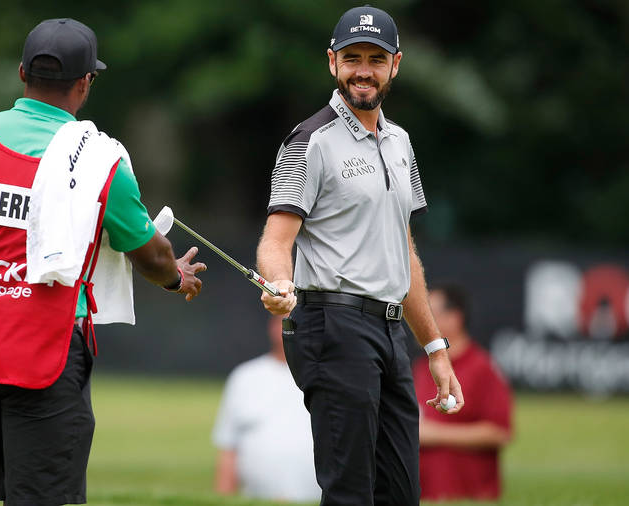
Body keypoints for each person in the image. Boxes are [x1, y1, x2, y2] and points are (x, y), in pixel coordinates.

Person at [0, 18, 206, 506]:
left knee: (16, 493)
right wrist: (174, 276)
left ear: (21, 74)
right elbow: (152, 254)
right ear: (84, 83)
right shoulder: (101, 162)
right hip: (44, 356)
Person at [255, 6, 464, 505]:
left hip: (390, 332)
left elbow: (403, 250)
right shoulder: (310, 140)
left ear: (396, 64)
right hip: (333, 325)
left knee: (400, 491)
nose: (363, 70)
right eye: (352, 58)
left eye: (375, 58)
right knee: (350, 490)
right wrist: (280, 284)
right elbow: (275, 241)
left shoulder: (401, 143)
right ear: (332, 62)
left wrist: (434, 348)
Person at [413, 284, 513, 501]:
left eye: (429, 313)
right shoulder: (422, 367)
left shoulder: (482, 367)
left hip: (469, 495)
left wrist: (432, 434)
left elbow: (499, 432)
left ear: (455, 317)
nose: (418, 320)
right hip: (427, 495)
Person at [212, 315, 322, 503]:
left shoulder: (328, 377)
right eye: (283, 321)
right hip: (256, 500)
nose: (290, 327)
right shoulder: (245, 377)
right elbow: (228, 448)